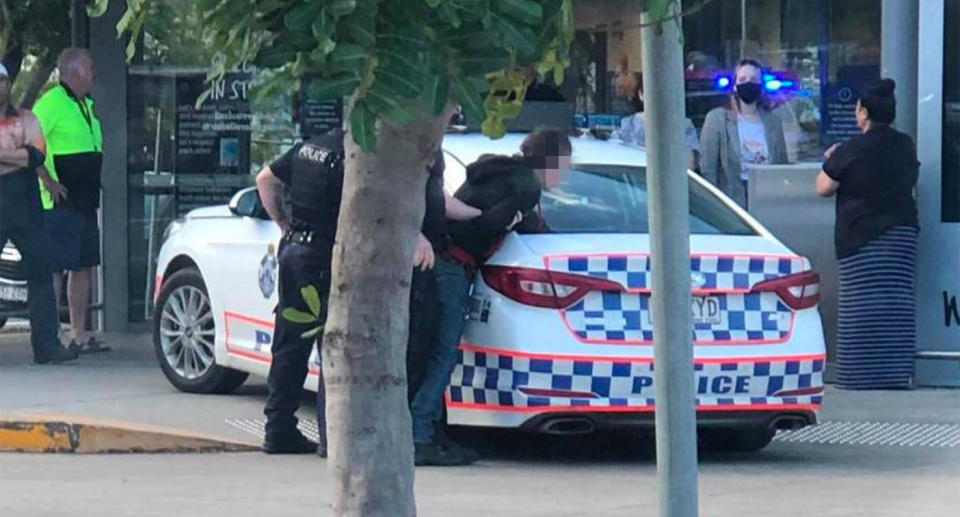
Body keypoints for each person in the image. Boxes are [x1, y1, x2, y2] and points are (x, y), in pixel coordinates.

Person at [408, 129, 568, 466]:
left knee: (435, 351)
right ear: (551, 162)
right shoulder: (525, 186)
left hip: (440, 261)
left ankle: (434, 432)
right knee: (443, 353)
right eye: (564, 164)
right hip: (452, 265)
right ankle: (420, 434)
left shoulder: (498, 172)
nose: (566, 173)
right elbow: (488, 226)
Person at [816, 78, 920, 390]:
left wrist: (829, 160)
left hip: (860, 236)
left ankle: (858, 375)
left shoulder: (851, 148)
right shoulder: (905, 145)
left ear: (863, 112)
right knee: (896, 303)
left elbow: (823, 187)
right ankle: (896, 373)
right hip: (902, 233)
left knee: (861, 306)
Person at [256, 128, 345, 455]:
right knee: (333, 345)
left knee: (290, 344)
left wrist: (283, 223)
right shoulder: (353, 156)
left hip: (294, 250)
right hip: (327, 254)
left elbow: (264, 179)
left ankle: (278, 429)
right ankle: (330, 437)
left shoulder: (309, 148)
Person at [32, 48, 108, 354]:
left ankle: (79, 331)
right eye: (91, 68)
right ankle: (52, 334)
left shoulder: (85, 104)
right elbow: (29, 144)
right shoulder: (51, 103)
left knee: (84, 265)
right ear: (76, 72)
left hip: (85, 198)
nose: (94, 73)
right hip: (60, 201)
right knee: (56, 268)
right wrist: (48, 181)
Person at [0, 63, 77, 364]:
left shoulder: (26, 118)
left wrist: (11, 157)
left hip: (25, 204)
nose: (0, 86)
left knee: (41, 271)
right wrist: (18, 156)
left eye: (3, 80)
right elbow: (27, 155)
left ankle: (46, 346)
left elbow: (37, 154)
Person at [700, 59, 788, 208]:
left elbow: (781, 166)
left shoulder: (773, 123)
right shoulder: (717, 119)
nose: (748, 83)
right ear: (735, 85)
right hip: (731, 203)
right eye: (742, 79)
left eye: (754, 79)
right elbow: (708, 169)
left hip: (766, 200)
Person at [615, 62, 701, 172]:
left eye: (663, 92)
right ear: (641, 95)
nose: (658, 98)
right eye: (652, 92)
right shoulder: (626, 126)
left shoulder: (684, 125)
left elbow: (689, 166)